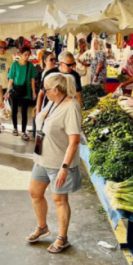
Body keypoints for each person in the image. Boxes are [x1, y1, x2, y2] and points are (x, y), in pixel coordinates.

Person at [27, 72, 82, 253]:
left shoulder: (71, 107)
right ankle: (42, 227)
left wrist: (64, 168)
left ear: (56, 90)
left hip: (60, 163)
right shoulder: (52, 101)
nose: (44, 91)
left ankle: (62, 238)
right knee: (35, 193)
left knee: (59, 199)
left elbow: (74, 141)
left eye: (46, 88)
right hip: (42, 158)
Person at [5, 47, 36, 141]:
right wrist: (7, 91)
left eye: (28, 55)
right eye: (25, 55)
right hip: (14, 91)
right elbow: (11, 79)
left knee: (24, 112)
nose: (27, 57)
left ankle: (23, 131)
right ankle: (15, 128)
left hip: (26, 91)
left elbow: (33, 79)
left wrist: (34, 91)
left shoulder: (30, 65)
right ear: (20, 55)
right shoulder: (15, 64)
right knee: (14, 111)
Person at [0, 40, 13, 133]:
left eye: (5, 48)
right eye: (1, 47)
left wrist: (9, 88)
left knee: (2, 105)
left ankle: (1, 122)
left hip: (4, 84)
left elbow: (10, 73)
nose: (3, 50)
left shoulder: (9, 56)